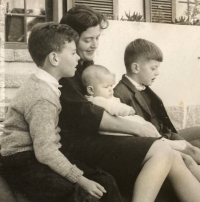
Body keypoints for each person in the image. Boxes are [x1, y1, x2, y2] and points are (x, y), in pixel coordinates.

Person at [59, 5, 200, 202]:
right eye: (87, 40)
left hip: (100, 139)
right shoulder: (65, 73)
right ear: (70, 41)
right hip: (82, 146)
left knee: (174, 155)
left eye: (97, 38)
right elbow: (88, 113)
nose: (94, 44)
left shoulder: (86, 67)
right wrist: (137, 129)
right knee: (161, 149)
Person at [0, 22, 123, 202]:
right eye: (73, 53)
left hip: (37, 153)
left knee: (104, 180)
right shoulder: (42, 96)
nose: (77, 59)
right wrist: (81, 180)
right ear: (54, 59)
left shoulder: (45, 86)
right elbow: (45, 151)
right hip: (22, 160)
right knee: (76, 193)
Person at [81, 64, 200, 182]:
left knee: (192, 145)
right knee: (188, 155)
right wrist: (126, 110)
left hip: (154, 134)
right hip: (140, 138)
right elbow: (115, 108)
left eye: (111, 85)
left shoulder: (140, 89)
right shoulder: (101, 100)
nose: (111, 89)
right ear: (136, 68)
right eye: (106, 86)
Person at [114, 38, 200, 167]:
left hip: (167, 135)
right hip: (157, 144)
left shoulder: (143, 86)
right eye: (153, 68)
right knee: (193, 151)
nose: (158, 72)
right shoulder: (120, 94)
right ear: (136, 67)